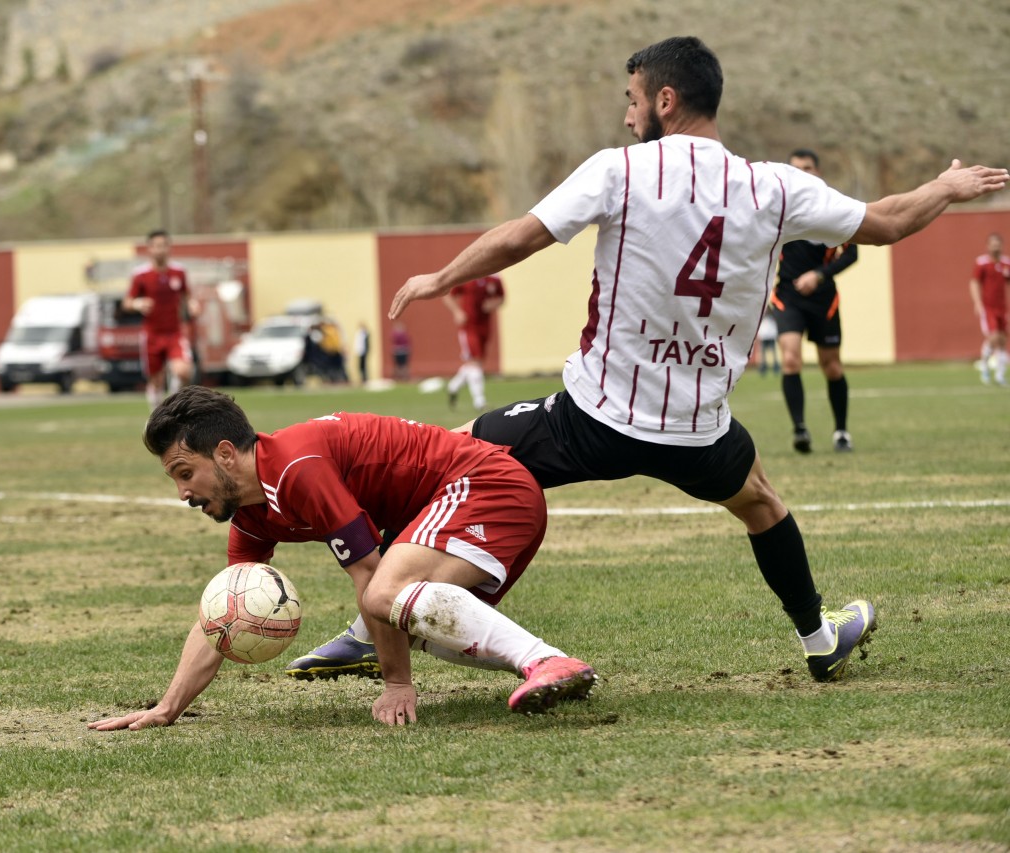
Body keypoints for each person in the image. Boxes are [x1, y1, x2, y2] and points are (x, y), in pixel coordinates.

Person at [287, 35, 1008, 687]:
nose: (628, 117)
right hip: (698, 432)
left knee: (458, 455)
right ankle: (819, 638)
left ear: (666, 100)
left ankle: (368, 627)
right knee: (760, 502)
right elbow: (884, 223)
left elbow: (521, 237)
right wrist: (944, 188)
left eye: (633, 101)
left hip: (591, 417)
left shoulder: (618, 172)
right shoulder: (775, 187)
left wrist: (442, 277)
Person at [86, 386, 595, 731]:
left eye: (184, 472)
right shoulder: (250, 513)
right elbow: (221, 615)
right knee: (422, 628)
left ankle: (547, 661)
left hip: (485, 485)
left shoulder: (295, 469)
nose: (181, 492)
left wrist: (397, 684)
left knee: (384, 595)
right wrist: (167, 707)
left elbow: (370, 573)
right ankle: (547, 669)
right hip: (471, 499)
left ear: (223, 454)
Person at [770, 149, 861, 453]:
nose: (802, 173)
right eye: (795, 168)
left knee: (832, 367)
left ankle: (841, 432)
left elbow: (852, 253)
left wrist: (818, 275)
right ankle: (800, 430)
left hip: (824, 299)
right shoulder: (778, 208)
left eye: (807, 168)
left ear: (818, 171)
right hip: (787, 297)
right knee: (791, 359)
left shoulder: (833, 208)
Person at [124, 229, 194, 409]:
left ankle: (172, 406)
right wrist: (138, 304)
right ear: (149, 249)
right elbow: (127, 302)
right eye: (156, 246)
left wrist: (193, 305)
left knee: (183, 371)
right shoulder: (140, 275)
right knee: (156, 380)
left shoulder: (179, 272)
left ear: (169, 248)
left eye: (163, 245)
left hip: (174, 333)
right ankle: (155, 416)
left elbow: (188, 295)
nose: (160, 250)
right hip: (152, 334)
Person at [443, 274, 504, 410]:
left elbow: (501, 298)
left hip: (485, 327)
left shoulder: (494, 278)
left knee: (477, 363)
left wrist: (493, 304)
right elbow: (447, 295)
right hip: (469, 326)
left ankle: (453, 386)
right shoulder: (468, 276)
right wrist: (457, 312)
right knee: (474, 362)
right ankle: (479, 401)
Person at [968, 232, 1009, 385]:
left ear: (1001, 245)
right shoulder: (982, 263)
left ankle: (1000, 375)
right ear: (988, 246)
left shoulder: (1006, 263)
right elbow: (974, 283)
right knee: (993, 338)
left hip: (1002, 308)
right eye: (992, 243)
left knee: (1003, 340)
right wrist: (977, 302)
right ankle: (984, 365)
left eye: (998, 243)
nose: (995, 246)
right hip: (988, 307)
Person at [756, 307, 779, 377]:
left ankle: (776, 369)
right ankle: (763, 370)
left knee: (774, 355)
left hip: (771, 336)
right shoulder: (761, 317)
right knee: (763, 356)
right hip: (764, 337)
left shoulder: (773, 317)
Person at [354, 321, 371, 385]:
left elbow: (366, 344)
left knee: (364, 366)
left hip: (364, 352)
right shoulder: (359, 333)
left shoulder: (365, 334)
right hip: (360, 352)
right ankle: (362, 378)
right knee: (360, 366)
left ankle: (365, 378)